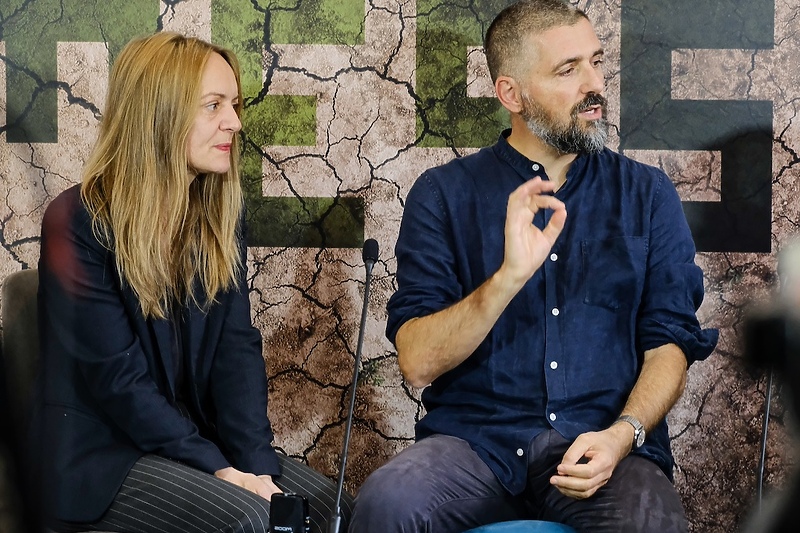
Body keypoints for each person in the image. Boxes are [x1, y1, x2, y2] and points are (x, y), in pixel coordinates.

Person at [349, 1, 718, 532]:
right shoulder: (443, 195)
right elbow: (418, 362)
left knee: (647, 520)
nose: (594, 84)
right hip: (475, 449)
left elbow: (669, 342)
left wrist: (623, 434)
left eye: (595, 61)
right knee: (389, 502)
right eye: (568, 70)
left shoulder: (647, 194)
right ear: (510, 94)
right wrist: (508, 278)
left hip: (601, 449)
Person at [31, 32, 352, 533]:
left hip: (194, 443)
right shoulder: (75, 222)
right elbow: (119, 384)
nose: (235, 122)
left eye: (235, 104)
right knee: (248, 518)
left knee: (331, 506)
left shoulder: (219, 216)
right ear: (159, 114)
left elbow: (235, 352)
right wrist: (222, 471)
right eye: (214, 105)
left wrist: (257, 468)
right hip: (103, 465)